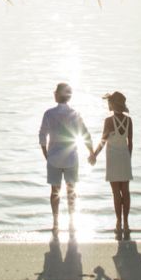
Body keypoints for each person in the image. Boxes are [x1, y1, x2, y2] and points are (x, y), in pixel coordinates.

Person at [38, 82, 92, 231]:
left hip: (54, 158)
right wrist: (91, 151)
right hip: (71, 158)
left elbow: (42, 135)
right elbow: (85, 134)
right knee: (71, 191)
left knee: (55, 191)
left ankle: (56, 222)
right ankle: (72, 222)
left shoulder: (49, 113)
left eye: (56, 92)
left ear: (59, 95)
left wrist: (46, 154)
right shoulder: (75, 114)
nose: (54, 94)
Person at [88, 90, 133, 235]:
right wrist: (128, 159)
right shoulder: (129, 120)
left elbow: (103, 140)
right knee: (125, 192)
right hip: (125, 158)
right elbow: (130, 142)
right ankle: (126, 223)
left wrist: (94, 154)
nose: (108, 104)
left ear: (113, 105)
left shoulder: (108, 121)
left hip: (113, 159)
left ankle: (118, 223)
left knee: (116, 193)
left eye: (109, 102)